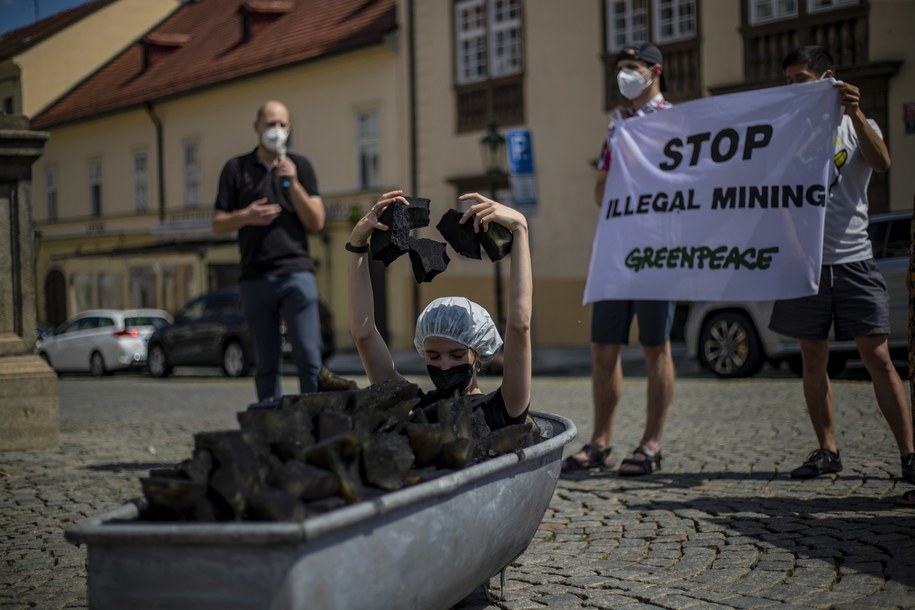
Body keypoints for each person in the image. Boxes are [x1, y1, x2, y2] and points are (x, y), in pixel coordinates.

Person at [768, 46, 915, 484]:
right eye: (789, 80)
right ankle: (828, 449)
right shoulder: (787, 132)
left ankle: (909, 454)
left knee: (879, 357)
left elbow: (883, 162)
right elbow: (777, 196)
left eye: (801, 78)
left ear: (826, 77)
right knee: (812, 358)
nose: (794, 86)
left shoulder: (858, 125)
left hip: (854, 259)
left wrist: (854, 113)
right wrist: (793, 246)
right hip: (807, 265)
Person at [561, 41, 675, 476]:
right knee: (603, 348)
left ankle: (651, 443)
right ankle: (601, 442)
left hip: (658, 251)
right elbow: (600, 190)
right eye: (620, 67)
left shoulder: (674, 122)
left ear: (654, 71)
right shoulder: (617, 125)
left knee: (654, 347)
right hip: (616, 251)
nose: (624, 74)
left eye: (632, 67)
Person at [346, 190, 532, 429]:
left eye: (456, 355)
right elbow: (363, 334)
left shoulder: (503, 408)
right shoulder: (413, 407)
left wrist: (520, 230)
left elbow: (520, 326)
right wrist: (357, 245)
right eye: (433, 356)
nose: (444, 365)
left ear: (477, 354)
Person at [212, 100, 326, 401]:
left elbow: (316, 221)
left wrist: (293, 183)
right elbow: (218, 223)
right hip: (255, 276)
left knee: (308, 356)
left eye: (282, 125)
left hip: (296, 272)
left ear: (289, 129)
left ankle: (314, 422)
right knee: (265, 362)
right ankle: (269, 426)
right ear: (256, 127)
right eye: (270, 124)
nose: (276, 131)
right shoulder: (236, 168)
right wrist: (246, 216)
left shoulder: (300, 166)